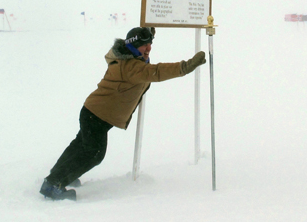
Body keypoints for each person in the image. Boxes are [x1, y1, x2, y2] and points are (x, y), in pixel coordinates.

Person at [39, 26, 206, 200]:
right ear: (133, 46)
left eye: (150, 44)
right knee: (94, 154)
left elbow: (143, 59)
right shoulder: (130, 67)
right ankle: (53, 184)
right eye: (144, 45)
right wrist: (185, 67)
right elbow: (156, 72)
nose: (149, 48)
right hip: (97, 115)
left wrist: (144, 38)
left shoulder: (128, 56)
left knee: (80, 146)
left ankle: (58, 176)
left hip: (94, 113)